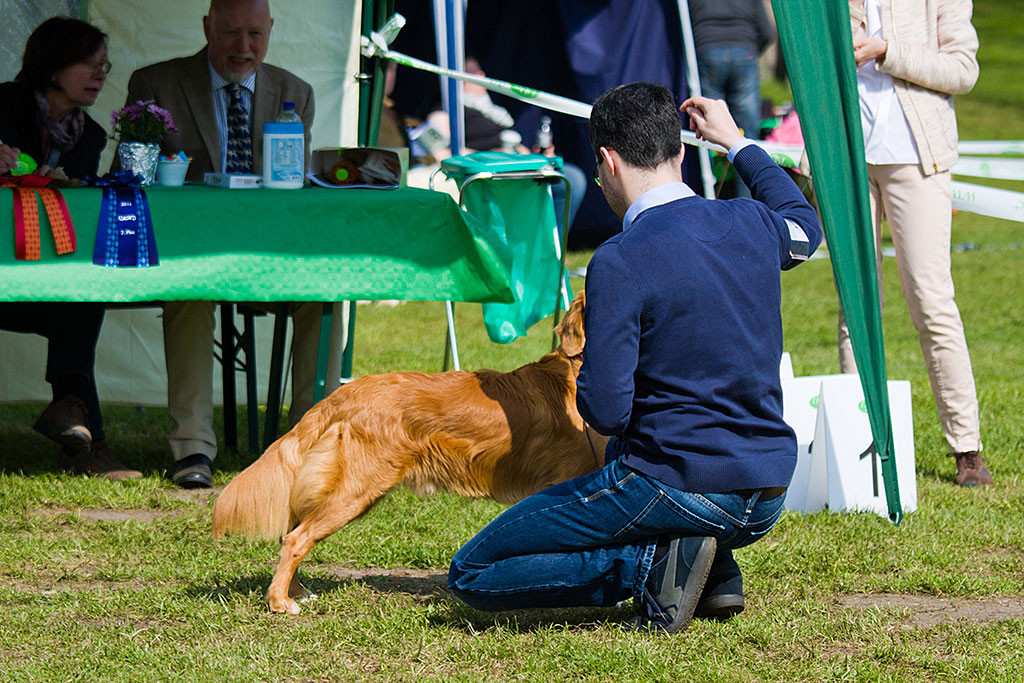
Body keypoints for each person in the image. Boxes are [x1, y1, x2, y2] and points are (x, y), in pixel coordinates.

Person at [448, 83, 822, 633]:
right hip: (766, 492)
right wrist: (738, 144)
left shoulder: (620, 259)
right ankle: (715, 568)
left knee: (471, 570)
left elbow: (606, 409)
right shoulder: (753, 222)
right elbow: (804, 226)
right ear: (678, 149)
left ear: (606, 162)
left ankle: (650, 566)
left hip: (680, 485)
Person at [121, 0, 343, 488]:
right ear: (207, 28)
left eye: (255, 35)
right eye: (231, 34)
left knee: (324, 292)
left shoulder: (295, 92)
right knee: (190, 291)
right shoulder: (155, 85)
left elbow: (292, 190)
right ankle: (193, 449)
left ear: (271, 32)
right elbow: (135, 176)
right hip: (194, 254)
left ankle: (310, 443)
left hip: (271, 253)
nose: (244, 47)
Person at [845, 0, 989, 486]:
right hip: (847, 161)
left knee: (931, 300)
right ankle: (857, 445)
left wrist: (888, 50)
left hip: (917, 157)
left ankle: (966, 448)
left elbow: (962, 70)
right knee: (856, 304)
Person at [0, 17, 141, 480]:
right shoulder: (2, 104)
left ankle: (75, 423)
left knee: (84, 294)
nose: (101, 73)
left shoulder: (92, 136)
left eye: (105, 64)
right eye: (89, 63)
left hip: (41, 274)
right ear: (52, 65)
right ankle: (84, 442)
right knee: (78, 302)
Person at [688, 0, 775, 197]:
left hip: (706, 51)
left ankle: (708, 198)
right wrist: (748, 51)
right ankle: (749, 203)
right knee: (747, 137)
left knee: (706, 132)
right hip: (745, 52)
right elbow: (767, 32)